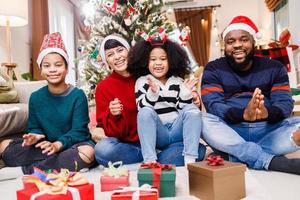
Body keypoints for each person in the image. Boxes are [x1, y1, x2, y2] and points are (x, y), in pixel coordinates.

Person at [201, 15, 300, 175]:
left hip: (269, 129)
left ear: (253, 42)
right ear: (224, 46)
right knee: (198, 119)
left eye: (244, 39)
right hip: (231, 130)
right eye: (231, 41)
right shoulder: (213, 69)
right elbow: (213, 106)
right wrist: (244, 114)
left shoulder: (274, 67)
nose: (237, 45)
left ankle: (234, 156)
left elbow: (284, 103)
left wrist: (267, 112)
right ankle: (270, 161)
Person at [0, 32, 95, 176]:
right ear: (41, 69)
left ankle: (26, 170)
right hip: (46, 147)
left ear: (66, 68)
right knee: (4, 146)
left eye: (58, 65)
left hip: (70, 145)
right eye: (47, 65)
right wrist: (34, 136)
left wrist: (58, 145)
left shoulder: (78, 95)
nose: (52, 69)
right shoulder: (36, 97)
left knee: (88, 153)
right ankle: (62, 165)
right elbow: (34, 128)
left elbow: (79, 132)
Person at [127, 36, 206, 166]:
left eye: (163, 59)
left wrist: (186, 95)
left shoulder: (177, 81)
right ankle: (150, 161)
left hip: (176, 130)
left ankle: (190, 160)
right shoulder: (142, 81)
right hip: (160, 134)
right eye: (153, 59)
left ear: (171, 61)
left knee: (192, 110)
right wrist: (152, 93)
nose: (158, 63)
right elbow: (142, 109)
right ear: (145, 62)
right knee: (145, 112)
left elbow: (184, 112)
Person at [94, 35, 143, 166]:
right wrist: (114, 115)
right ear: (107, 61)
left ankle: (152, 153)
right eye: (110, 54)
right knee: (102, 150)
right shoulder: (103, 88)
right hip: (124, 145)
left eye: (120, 50)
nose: (117, 57)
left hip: (153, 140)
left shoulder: (144, 77)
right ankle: (149, 155)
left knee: (197, 150)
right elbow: (111, 133)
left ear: (129, 51)